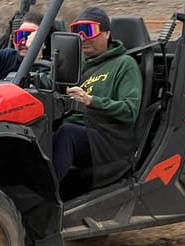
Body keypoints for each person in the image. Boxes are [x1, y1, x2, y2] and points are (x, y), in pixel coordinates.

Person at [52, 7, 143, 188]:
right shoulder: (76, 64)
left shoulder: (124, 64)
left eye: (89, 30)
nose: (83, 37)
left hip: (106, 138)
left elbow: (130, 110)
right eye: (78, 31)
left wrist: (91, 101)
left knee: (66, 134)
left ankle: (44, 197)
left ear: (107, 34)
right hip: (79, 130)